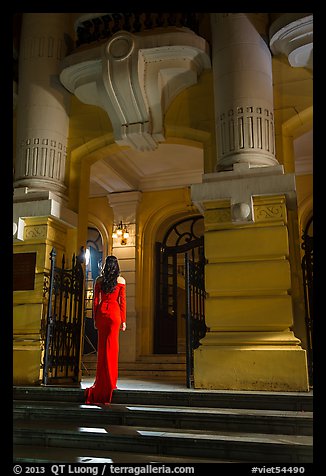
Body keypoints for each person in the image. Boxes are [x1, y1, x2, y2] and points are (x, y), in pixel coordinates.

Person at [84, 255, 126, 405]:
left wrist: (95, 319)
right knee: (113, 349)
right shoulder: (121, 281)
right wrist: (124, 320)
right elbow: (122, 302)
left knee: (102, 349)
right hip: (115, 315)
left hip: (102, 314)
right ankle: (111, 382)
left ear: (105, 266)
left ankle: (102, 381)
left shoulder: (99, 281)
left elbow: (96, 302)